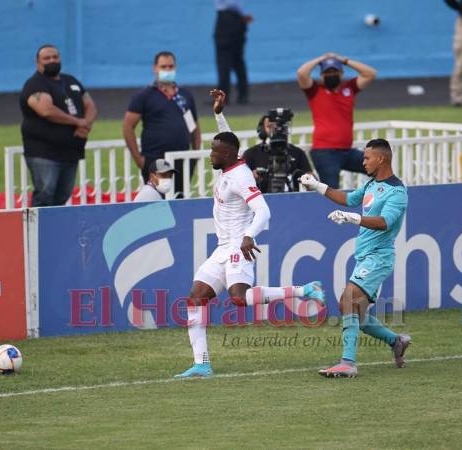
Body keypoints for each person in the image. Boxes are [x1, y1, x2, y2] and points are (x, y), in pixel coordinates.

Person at [174, 90, 325, 378]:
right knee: (195, 299)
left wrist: (249, 236)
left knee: (239, 300)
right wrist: (218, 114)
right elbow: (227, 138)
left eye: (213, 151)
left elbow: (264, 211)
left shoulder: (241, 178)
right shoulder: (230, 161)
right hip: (222, 248)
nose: (210, 155)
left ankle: (305, 291)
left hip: (237, 247)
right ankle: (202, 363)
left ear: (227, 155)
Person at [300, 138, 411, 378]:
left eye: (367, 157)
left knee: (348, 299)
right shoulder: (372, 184)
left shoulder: (397, 191)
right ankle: (396, 341)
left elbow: (384, 222)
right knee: (352, 310)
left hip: (378, 258)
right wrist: (317, 185)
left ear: (381, 159)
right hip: (365, 258)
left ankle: (348, 363)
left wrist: (353, 218)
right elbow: (348, 199)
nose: (363, 161)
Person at [19, 44, 97, 207]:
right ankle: (36, 230)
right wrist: (77, 122)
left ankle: (55, 230)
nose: (52, 61)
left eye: (55, 57)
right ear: (37, 62)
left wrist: (86, 124)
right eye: (46, 58)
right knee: (45, 194)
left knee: (62, 196)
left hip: (70, 151)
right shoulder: (35, 84)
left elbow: (90, 104)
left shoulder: (71, 81)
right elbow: (46, 110)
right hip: (44, 152)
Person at [123, 51, 201, 199]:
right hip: (156, 160)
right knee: (156, 202)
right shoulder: (144, 96)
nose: (167, 70)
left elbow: (194, 128)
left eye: (170, 66)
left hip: (182, 159)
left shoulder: (184, 96)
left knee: (179, 200)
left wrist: (195, 155)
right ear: (155, 68)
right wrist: (139, 160)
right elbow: (127, 126)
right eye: (163, 66)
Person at [296, 53, 376, 189]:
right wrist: (320, 59)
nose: (331, 75)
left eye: (334, 71)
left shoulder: (349, 88)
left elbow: (370, 73)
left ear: (341, 73)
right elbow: (301, 73)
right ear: (321, 75)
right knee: (331, 190)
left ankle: (378, 201)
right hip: (325, 152)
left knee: (378, 169)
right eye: (327, 72)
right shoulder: (315, 90)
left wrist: (343, 60)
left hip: (347, 151)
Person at [243, 111, 313, 193]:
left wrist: (309, 180)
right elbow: (239, 181)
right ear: (262, 130)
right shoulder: (251, 153)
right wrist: (250, 177)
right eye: (270, 127)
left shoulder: (298, 152)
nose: (275, 130)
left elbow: (311, 181)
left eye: (279, 127)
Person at [213, 0, 252, 104]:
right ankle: (243, 95)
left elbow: (231, 4)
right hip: (238, 21)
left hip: (226, 20)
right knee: (238, 60)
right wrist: (243, 15)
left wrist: (241, 14)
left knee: (223, 61)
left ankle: (223, 97)